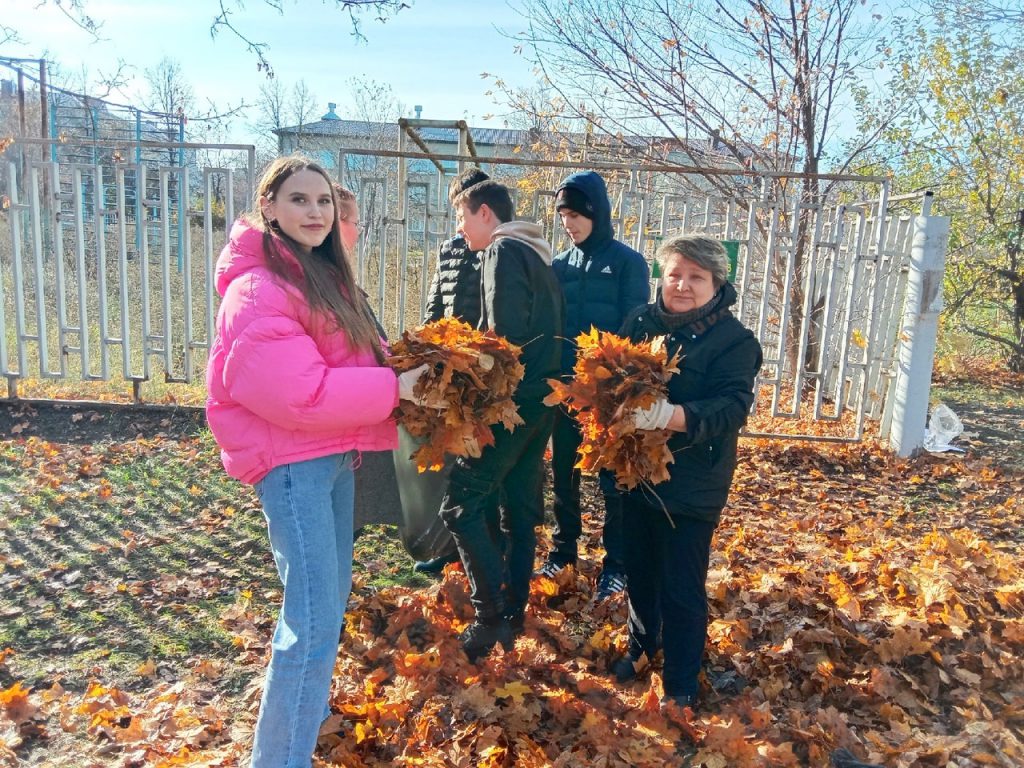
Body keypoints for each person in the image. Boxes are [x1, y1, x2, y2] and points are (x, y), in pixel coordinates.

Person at [205, 155, 429, 767]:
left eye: (324, 200)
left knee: (323, 614)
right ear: (269, 208)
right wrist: (395, 389)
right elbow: (297, 393)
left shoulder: (318, 277)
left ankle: (293, 737)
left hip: (332, 458)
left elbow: (349, 360)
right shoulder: (258, 289)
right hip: (294, 467)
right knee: (310, 625)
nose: (315, 212)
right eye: (299, 200)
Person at [611, 235, 762, 710]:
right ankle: (641, 646)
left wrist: (671, 416)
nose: (682, 285)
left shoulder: (735, 342)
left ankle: (680, 682)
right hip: (634, 471)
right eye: (675, 273)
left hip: (693, 478)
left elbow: (732, 407)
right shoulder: (639, 322)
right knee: (639, 570)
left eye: (696, 277)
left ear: (717, 284)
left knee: (680, 585)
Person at [439, 178, 563, 661]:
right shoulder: (538, 254)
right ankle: (512, 613)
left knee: (461, 503)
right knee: (518, 510)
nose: (460, 229)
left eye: (462, 217)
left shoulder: (501, 251)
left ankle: (489, 619)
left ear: (486, 213)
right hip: (541, 402)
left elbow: (502, 338)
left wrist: (460, 366)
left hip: (512, 404)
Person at [538, 171, 651, 602]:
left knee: (613, 482)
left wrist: (613, 382)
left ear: (596, 212)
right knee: (564, 473)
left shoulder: (628, 263)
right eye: (563, 215)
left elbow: (636, 326)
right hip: (567, 392)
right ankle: (563, 551)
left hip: (609, 396)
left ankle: (617, 564)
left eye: (576, 214)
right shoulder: (559, 265)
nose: (569, 223)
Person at [411, 167, 491, 575]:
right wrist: (425, 349)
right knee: (448, 460)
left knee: (481, 461)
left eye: (464, 209)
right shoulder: (448, 249)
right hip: (446, 367)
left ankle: (485, 549)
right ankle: (448, 550)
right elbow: (435, 303)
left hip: (482, 371)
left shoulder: (498, 251)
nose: (459, 220)